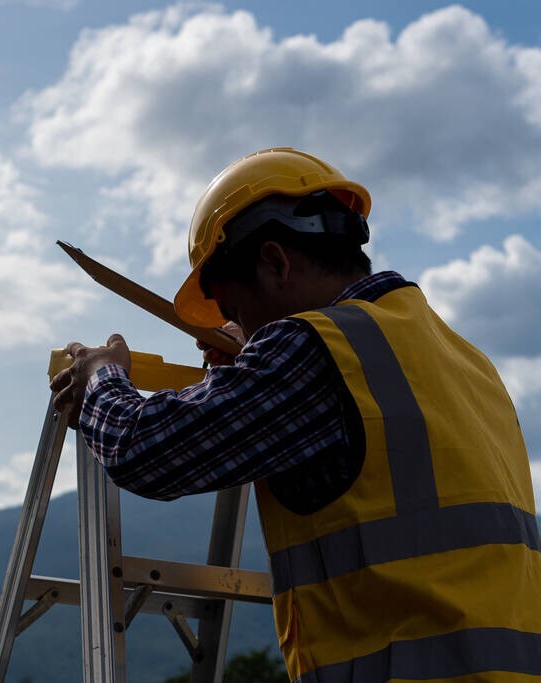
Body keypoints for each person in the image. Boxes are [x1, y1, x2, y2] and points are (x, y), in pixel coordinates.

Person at [49, 148, 541, 681]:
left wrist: (101, 377)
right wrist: (247, 370)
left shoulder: (317, 348)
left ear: (276, 263)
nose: (245, 335)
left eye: (237, 313)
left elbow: (144, 450)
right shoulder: (463, 361)